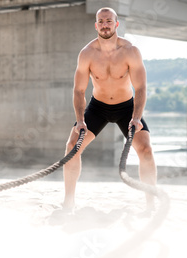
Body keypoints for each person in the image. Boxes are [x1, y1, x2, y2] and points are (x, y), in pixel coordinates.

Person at [63, 7, 157, 213]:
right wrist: (80, 120)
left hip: (127, 108)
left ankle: (150, 204)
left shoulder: (131, 51)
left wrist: (137, 117)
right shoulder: (87, 53)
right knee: (72, 147)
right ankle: (68, 201)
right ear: (96, 25)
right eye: (101, 21)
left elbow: (140, 87)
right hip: (98, 107)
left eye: (109, 21)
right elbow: (79, 90)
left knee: (146, 151)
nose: (105, 24)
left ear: (116, 24)